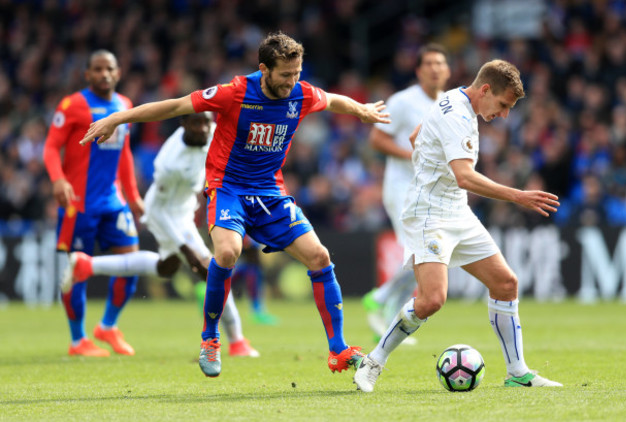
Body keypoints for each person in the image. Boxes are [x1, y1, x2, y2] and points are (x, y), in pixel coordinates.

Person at [79, 31, 390, 378]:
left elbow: (332, 100)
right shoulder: (235, 92)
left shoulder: (301, 93)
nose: (293, 81)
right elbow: (175, 106)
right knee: (227, 253)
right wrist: (117, 118)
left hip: (270, 193)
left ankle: (338, 349)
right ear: (264, 69)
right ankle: (211, 338)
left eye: (297, 73)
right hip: (227, 188)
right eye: (285, 74)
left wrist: (361, 110)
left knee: (320, 257)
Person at [353, 59, 563, 392]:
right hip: (429, 214)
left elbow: (415, 134)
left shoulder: (453, 98)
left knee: (506, 283)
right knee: (432, 299)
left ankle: (518, 372)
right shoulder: (458, 116)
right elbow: (464, 177)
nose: (505, 114)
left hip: (457, 212)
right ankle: (373, 361)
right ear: (485, 90)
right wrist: (518, 196)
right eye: (504, 105)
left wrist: (427, 161)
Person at [62, 112, 259, 358]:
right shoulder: (169, 161)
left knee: (166, 268)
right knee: (212, 271)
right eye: (196, 123)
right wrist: (186, 250)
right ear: (183, 124)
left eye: (206, 122)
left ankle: (87, 265)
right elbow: (161, 212)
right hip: (163, 214)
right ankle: (237, 341)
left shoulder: (211, 135)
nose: (203, 128)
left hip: (184, 211)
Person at [43, 50, 143, 357]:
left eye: (109, 69)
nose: (104, 74)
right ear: (87, 74)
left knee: (131, 262)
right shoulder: (72, 105)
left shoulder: (125, 105)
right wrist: (58, 179)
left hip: (114, 201)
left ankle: (108, 326)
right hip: (79, 203)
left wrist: (133, 193)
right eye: (97, 69)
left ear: (118, 72)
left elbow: (124, 153)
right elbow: (50, 147)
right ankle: (78, 341)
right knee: (77, 269)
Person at [361, 43, 451, 344]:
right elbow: (376, 138)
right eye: (429, 63)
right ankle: (382, 297)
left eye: (440, 63)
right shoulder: (402, 101)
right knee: (420, 251)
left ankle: (386, 313)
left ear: (447, 70)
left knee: (424, 254)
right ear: (419, 70)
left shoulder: (448, 103)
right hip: (401, 188)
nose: (435, 68)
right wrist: (411, 155)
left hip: (429, 191)